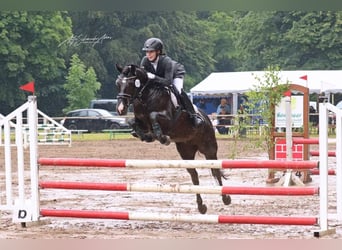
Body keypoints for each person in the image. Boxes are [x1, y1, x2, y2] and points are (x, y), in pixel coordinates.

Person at [140, 37, 204, 127]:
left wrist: (153, 77)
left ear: (158, 52)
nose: (148, 54)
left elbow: (168, 82)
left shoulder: (167, 61)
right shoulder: (145, 61)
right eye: (147, 52)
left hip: (175, 75)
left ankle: (194, 116)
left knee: (178, 92)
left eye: (151, 52)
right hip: (160, 77)